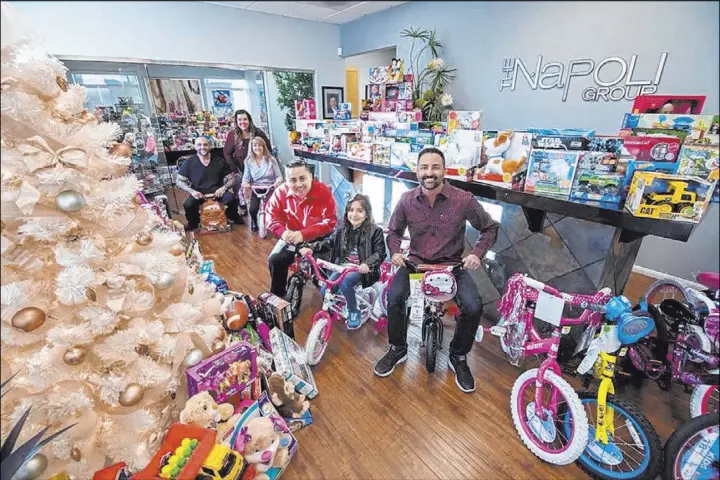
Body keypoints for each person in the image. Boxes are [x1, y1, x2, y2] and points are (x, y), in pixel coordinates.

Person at [374, 147, 499, 393]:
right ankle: (398, 348)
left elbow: (490, 228)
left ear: (444, 170)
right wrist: (396, 252)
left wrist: (476, 254)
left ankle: (459, 356)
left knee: (473, 306)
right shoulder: (407, 200)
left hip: (452, 266)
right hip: (416, 264)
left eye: (435, 167)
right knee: (395, 297)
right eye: (424, 168)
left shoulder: (464, 200)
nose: (429, 173)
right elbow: (393, 231)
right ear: (417, 171)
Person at [299, 194, 387, 330]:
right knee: (325, 291)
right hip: (343, 268)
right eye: (351, 210)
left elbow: (380, 253)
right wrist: (311, 248)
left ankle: (354, 311)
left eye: (360, 210)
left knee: (345, 283)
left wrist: (367, 264)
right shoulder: (342, 229)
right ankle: (342, 301)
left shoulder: (375, 231)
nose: (354, 214)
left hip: (363, 269)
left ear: (367, 214)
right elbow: (328, 242)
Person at [265, 160, 337, 299]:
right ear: (286, 180)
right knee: (274, 260)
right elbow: (270, 217)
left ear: (311, 177)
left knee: (324, 271)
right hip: (291, 236)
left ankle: (329, 298)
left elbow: (330, 221)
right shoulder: (280, 192)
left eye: (303, 178)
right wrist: (283, 233)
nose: (298, 184)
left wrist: (304, 234)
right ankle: (278, 299)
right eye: (292, 180)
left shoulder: (323, 191)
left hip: (319, 238)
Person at [176, 136, 243, 231]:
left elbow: (232, 178)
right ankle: (193, 223)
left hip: (218, 192)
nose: (202, 147)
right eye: (199, 145)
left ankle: (233, 216)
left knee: (231, 198)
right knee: (188, 205)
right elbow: (179, 181)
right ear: (195, 147)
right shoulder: (188, 163)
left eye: (205, 145)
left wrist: (223, 188)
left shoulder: (219, 161)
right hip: (199, 194)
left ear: (210, 146)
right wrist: (192, 191)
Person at [223, 109, 272, 213]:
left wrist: (267, 165)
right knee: (240, 185)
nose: (242, 122)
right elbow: (227, 153)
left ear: (249, 120)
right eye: (239, 120)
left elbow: (268, 149)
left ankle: (261, 208)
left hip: (258, 167)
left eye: (245, 119)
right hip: (241, 168)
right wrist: (235, 170)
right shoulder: (232, 135)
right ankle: (243, 206)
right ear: (236, 121)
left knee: (260, 191)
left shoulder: (258, 132)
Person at [241, 136, 284, 232]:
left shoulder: (271, 160)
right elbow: (246, 178)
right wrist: (246, 183)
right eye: (255, 145)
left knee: (273, 208)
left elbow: (279, 176)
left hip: (270, 187)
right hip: (256, 188)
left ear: (264, 147)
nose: (257, 148)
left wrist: (277, 182)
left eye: (260, 145)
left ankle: (276, 225)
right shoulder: (248, 162)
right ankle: (254, 221)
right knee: (253, 208)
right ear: (251, 148)